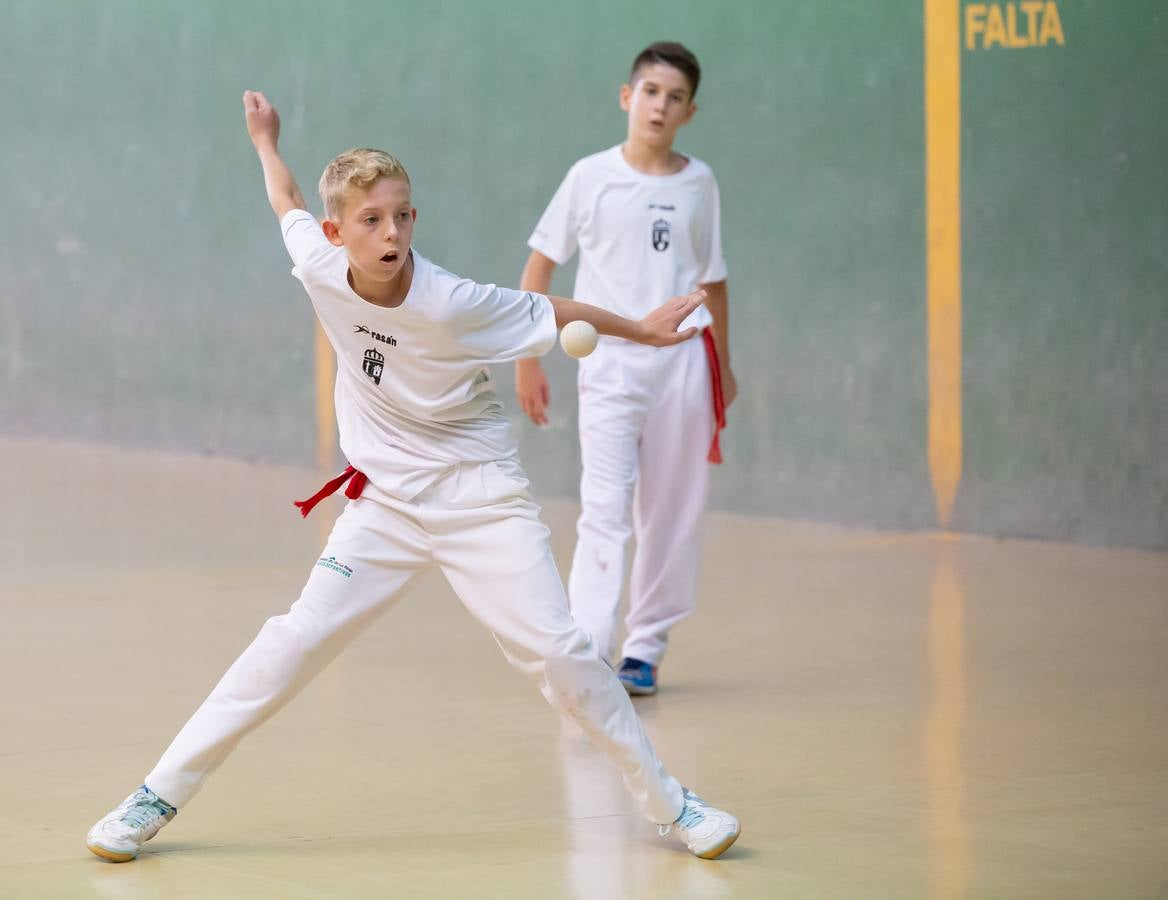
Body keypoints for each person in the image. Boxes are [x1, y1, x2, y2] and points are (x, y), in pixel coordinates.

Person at [85, 90, 740, 864]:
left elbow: (552, 307)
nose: (392, 231)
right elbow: (287, 200)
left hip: (481, 499)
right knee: (291, 642)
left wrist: (642, 327)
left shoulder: (453, 302)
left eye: (403, 215)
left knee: (562, 653)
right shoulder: (317, 263)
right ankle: (153, 797)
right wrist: (266, 140)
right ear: (338, 234)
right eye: (371, 221)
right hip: (386, 505)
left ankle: (673, 803)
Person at [516, 42, 738, 696]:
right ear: (626, 97)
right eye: (650, 93)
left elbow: (714, 282)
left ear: (689, 112)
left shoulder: (700, 183)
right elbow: (539, 267)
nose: (659, 106)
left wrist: (723, 363)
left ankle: (644, 650)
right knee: (603, 509)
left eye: (674, 98)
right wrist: (530, 358)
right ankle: (590, 653)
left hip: (684, 368)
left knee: (670, 511)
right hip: (609, 366)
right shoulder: (589, 176)